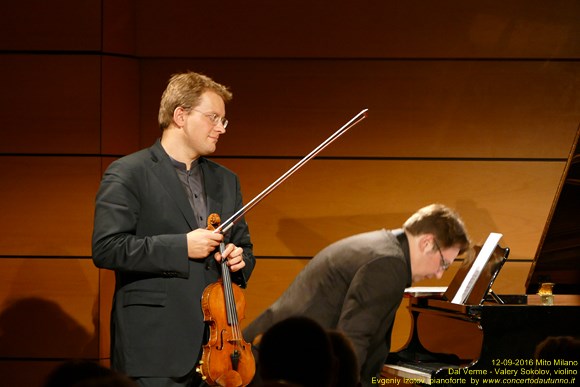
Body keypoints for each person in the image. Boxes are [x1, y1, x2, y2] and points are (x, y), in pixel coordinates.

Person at [92, 71, 256, 387]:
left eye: (224, 120)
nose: (221, 128)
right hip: (155, 346)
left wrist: (239, 259)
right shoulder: (129, 172)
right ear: (180, 116)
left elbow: (244, 247)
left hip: (219, 346)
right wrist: (181, 247)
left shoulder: (226, 180)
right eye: (213, 117)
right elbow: (107, 248)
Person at [243, 203, 470, 387]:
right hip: (282, 371)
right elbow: (353, 340)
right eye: (443, 263)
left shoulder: (386, 248)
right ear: (426, 242)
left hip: (280, 362)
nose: (439, 275)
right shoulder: (388, 264)